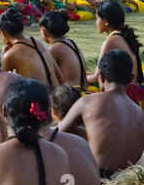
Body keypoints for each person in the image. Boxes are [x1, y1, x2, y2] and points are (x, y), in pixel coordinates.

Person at [59, 50, 144, 178]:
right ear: (131, 79)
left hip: (98, 180)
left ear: (102, 76)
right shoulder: (139, 113)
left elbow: (56, 133)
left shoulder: (88, 102)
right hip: (127, 184)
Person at [0, 7, 63, 89]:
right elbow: (61, 78)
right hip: (58, 97)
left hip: (39, 101)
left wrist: (2, 57)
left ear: (2, 33)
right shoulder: (40, 43)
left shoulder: (10, 55)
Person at [87, 0, 143, 85]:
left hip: (129, 92)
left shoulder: (111, 41)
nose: (96, 22)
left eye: (97, 18)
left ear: (105, 22)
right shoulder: (122, 35)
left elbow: (97, 77)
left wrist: (78, 78)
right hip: (135, 88)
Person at [39, 11, 87, 88]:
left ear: (43, 31)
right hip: (84, 89)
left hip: (71, 95)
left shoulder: (54, 48)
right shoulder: (71, 42)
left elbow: (44, 77)